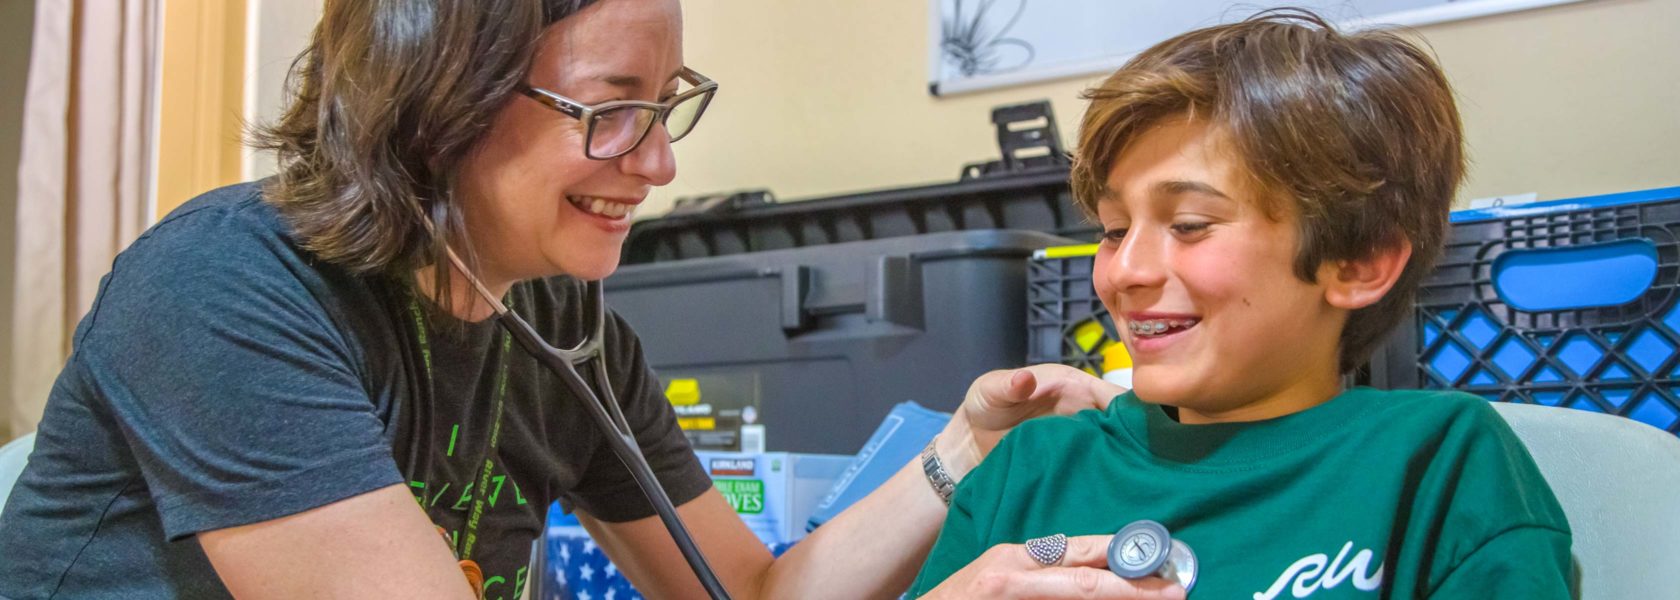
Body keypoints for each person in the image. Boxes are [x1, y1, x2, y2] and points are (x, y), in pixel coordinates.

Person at [0, 1, 1170, 599]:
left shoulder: (557, 322)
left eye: (669, 106)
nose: (657, 164)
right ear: (434, 94)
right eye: (612, 108)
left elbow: (748, 588)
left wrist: (966, 446)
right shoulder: (224, 290)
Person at [909, 9, 1573, 599]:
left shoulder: (1441, 459)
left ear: (1358, 263)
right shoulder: (1031, 466)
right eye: (1113, 231)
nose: (1125, 270)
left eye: (1191, 224)